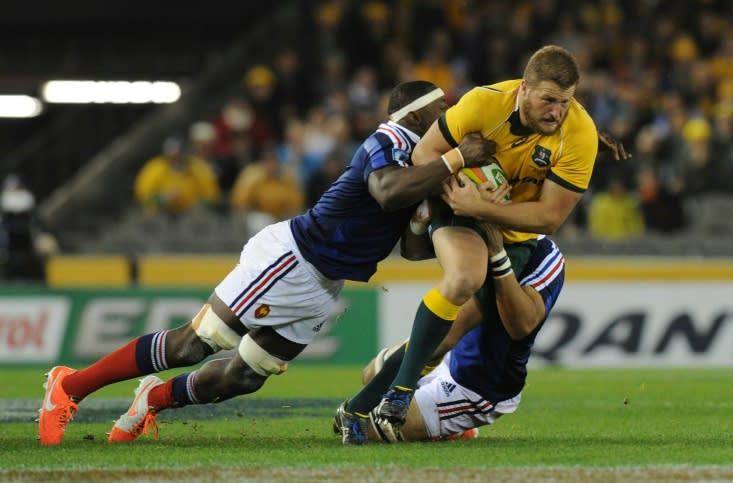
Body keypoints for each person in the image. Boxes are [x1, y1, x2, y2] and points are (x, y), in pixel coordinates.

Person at [37, 80, 495, 446]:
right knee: (194, 345)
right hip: (295, 256)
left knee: (241, 378)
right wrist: (455, 159)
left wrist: (433, 215)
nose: (451, 120)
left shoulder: (428, 167)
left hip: (325, 284)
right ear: (417, 112)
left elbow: (412, 251)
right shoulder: (392, 136)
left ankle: (151, 399)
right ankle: (70, 387)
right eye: (444, 111)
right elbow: (385, 191)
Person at [340, 45, 598, 438]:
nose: (557, 112)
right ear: (523, 89)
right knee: (464, 278)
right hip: (458, 205)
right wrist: (463, 183)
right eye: (549, 100)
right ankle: (401, 392)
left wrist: (486, 208)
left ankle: (356, 408)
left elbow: (550, 217)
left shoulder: (580, 133)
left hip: (513, 230)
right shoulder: (482, 103)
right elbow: (426, 152)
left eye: (565, 102)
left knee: (449, 336)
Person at [339, 224, 565, 443]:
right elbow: (414, 251)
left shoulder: (545, 257)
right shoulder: (474, 226)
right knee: (371, 374)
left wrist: (498, 256)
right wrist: (422, 218)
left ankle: (450, 428)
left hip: (479, 384)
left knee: (372, 426)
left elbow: (521, 326)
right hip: (449, 353)